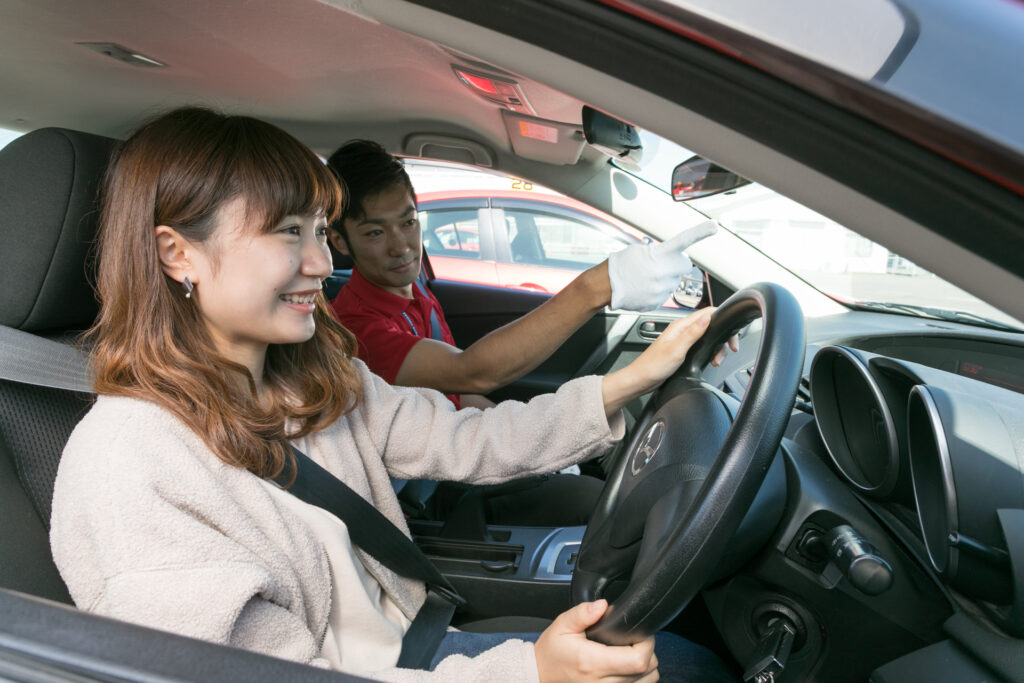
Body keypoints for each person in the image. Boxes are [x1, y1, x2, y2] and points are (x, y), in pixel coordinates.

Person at [49, 107, 735, 682]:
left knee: (682, 661)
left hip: (411, 642)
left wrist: (634, 379)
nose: (322, 262)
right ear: (178, 255)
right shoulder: (127, 466)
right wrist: (530, 673)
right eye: (290, 232)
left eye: (320, 231)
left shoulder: (317, 378)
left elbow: (469, 439)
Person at [326, 140, 723, 526]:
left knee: (600, 482)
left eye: (408, 221)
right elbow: (471, 372)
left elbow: (458, 395)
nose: (401, 246)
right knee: (596, 504)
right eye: (375, 233)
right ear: (339, 240)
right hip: (426, 491)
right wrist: (597, 286)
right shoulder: (356, 329)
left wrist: (537, 439)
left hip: (462, 448)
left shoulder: (415, 293)